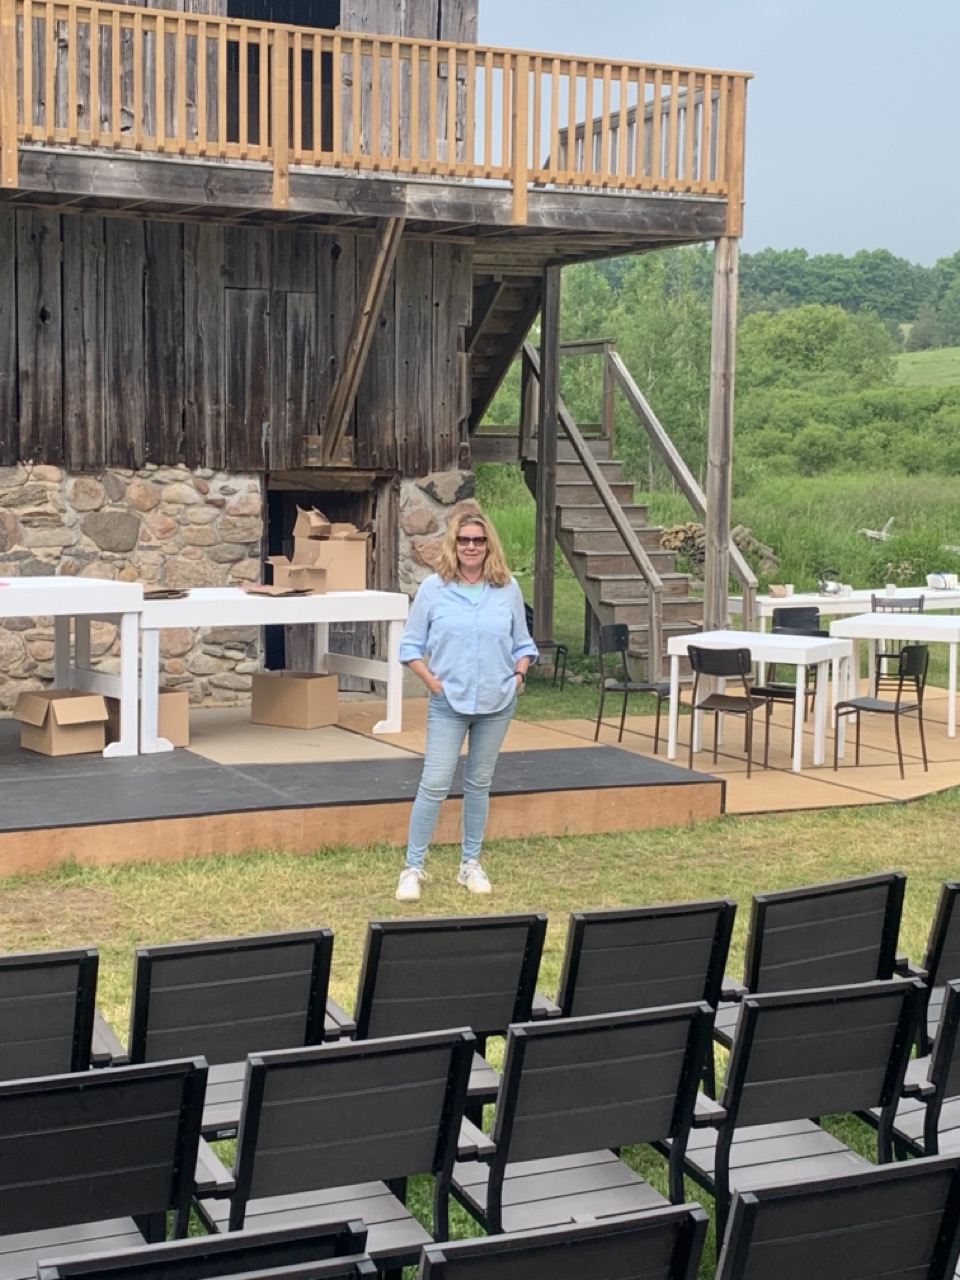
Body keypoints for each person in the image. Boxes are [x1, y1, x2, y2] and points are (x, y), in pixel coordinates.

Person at [395, 510, 538, 901]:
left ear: (489, 544)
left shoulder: (506, 588)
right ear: (453, 545)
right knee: (434, 783)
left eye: (478, 540)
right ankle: (413, 867)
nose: (471, 547)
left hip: (496, 702)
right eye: (464, 540)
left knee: (479, 783)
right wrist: (429, 680)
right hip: (448, 702)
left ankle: (470, 864)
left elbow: (523, 643)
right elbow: (409, 646)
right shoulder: (433, 589)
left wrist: (519, 674)